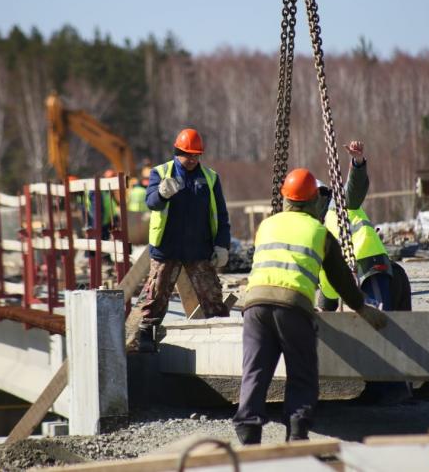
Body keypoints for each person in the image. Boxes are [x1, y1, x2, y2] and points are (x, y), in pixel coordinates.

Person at [232, 168, 388, 445]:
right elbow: (340, 279)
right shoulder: (319, 232)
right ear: (314, 200)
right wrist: (361, 307)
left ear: (286, 198)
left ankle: (248, 435)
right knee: (301, 371)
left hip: (254, 306)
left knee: (255, 370)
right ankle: (297, 433)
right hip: (292, 306)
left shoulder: (266, 225)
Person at [317, 141, 413, 404]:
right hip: (376, 271)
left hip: (369, 268)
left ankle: (392, 390)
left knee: (377, 325)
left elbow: (354, 192)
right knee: (378, 325)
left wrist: (357, 164)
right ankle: (383, 387)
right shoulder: (319, 224)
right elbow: (326, 282)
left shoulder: (339, 206)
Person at [136, 128, 232, 353]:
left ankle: (221, 334)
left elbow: (221, 213)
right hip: (167, 247)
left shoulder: (209, 178)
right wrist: (161, 193)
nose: (192, 160)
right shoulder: (161, 173)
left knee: (212, 295)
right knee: (156, 295)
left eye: (196, 155)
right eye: (188, 155)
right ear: (177, 152)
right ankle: (146, 335)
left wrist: (222, 244)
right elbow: (151, 203)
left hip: (198, 249)